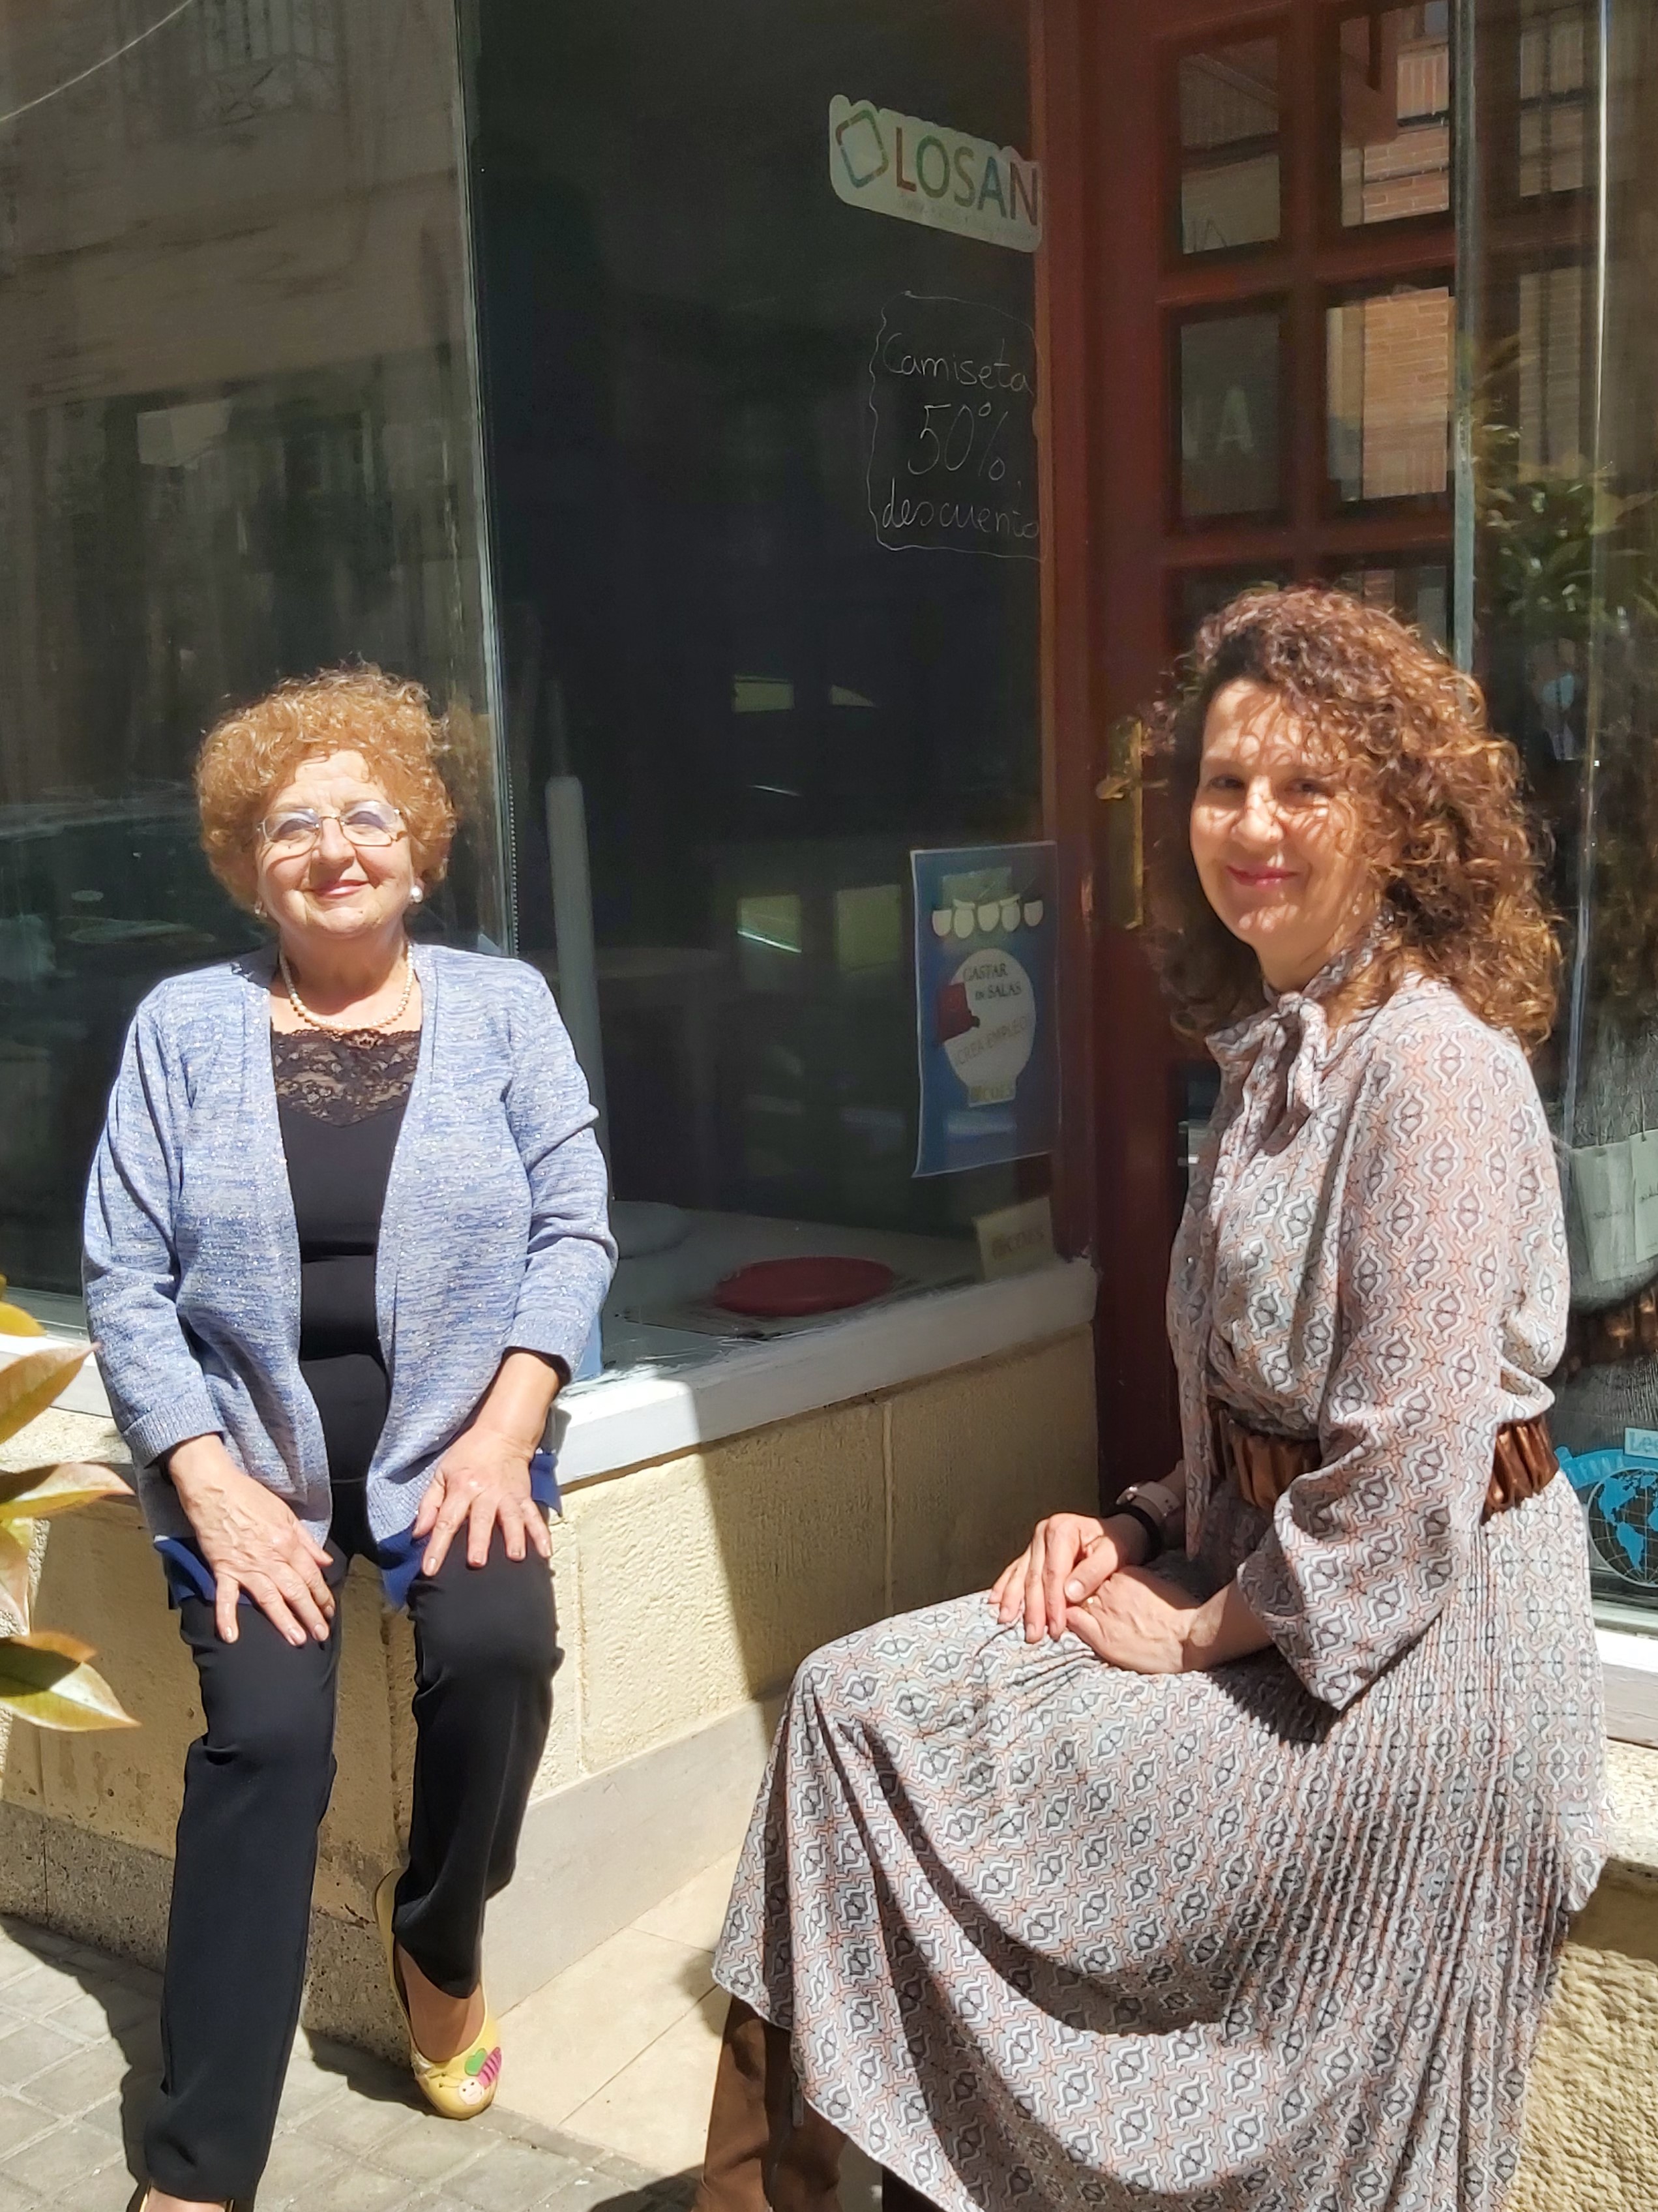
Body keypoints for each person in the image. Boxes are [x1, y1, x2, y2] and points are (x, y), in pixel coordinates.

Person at [694, 588, 1606, 2212]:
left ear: (1398, 816)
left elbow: (1398, 1491)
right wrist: (1131, 1524)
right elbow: (1263, 1412)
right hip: (1293, 1587)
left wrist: (1193, 1627)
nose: (1251, 824)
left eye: (1305, 786)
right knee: (857, 1704)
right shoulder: (1280, 1051)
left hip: (1416, 1665)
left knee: (881, 1725)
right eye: (1221, 783)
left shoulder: (1431, 1070)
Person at [83, 666, 615, 2212]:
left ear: (420, 848)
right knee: (267, 1735)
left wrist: (506, 1424)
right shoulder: (183, 1027)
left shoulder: (504, 1008)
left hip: (459, 1435)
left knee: (499, 1646)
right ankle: (198, 2164)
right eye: (293, 823)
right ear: (250, 861)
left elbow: (575, 1230)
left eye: (366, 814)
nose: (333, 847)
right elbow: (121, 1274)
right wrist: (203, 1475)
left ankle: (436, 1947)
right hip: (246, 1453)